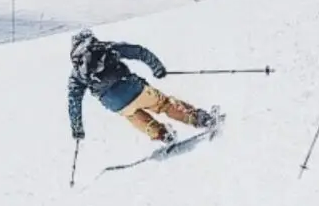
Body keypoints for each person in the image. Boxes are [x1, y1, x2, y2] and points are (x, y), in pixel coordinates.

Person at [66, 30, 219, 150]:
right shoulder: (106, 48)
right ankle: (200, 119)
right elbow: (138, 51)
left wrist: (77, 129)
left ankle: (163, 135)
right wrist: (157, 68)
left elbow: (74, 101)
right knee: (164, 104)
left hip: (113, 103)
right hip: (132, 87)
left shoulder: (76, 73)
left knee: (133, 116)